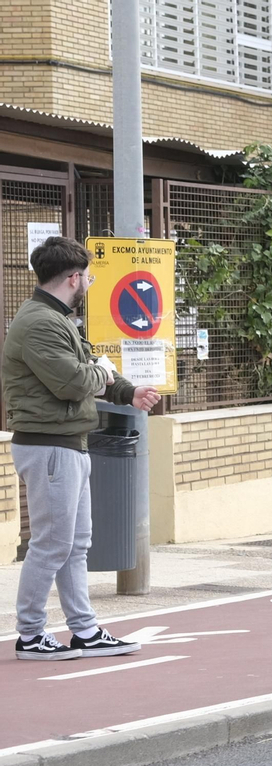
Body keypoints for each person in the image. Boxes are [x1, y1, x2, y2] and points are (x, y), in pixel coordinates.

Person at [5, 236, 159, 661]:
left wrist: (128, 392)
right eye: (88, 275)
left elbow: (94, 370)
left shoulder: (57, 318)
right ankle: (31, 635)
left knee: (75, 544)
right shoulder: (39, 323)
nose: (89, 280)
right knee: (52, 544)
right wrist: (101, 372)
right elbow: (75, 381)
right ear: (74, 277)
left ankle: (85, 630)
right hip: (50, 447)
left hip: (68, 444)